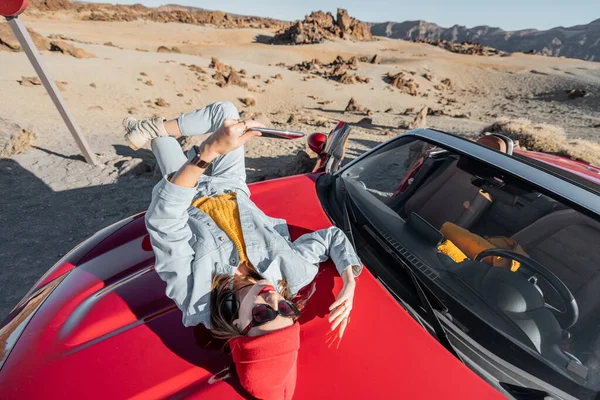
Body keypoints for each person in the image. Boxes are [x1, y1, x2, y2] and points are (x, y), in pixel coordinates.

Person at [123, 101, 362, 399]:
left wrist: (209, 152)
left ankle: (150, 129)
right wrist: (350, 280)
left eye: (262, 314)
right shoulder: (293, 274)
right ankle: (146, 128)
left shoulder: (194, 295)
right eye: (286, 310)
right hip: (230, 186)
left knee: (163, 139)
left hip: (184, 188)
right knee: (227, 112)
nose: (273, 298)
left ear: (238, 325)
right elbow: (331, 238)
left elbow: (164, 222)